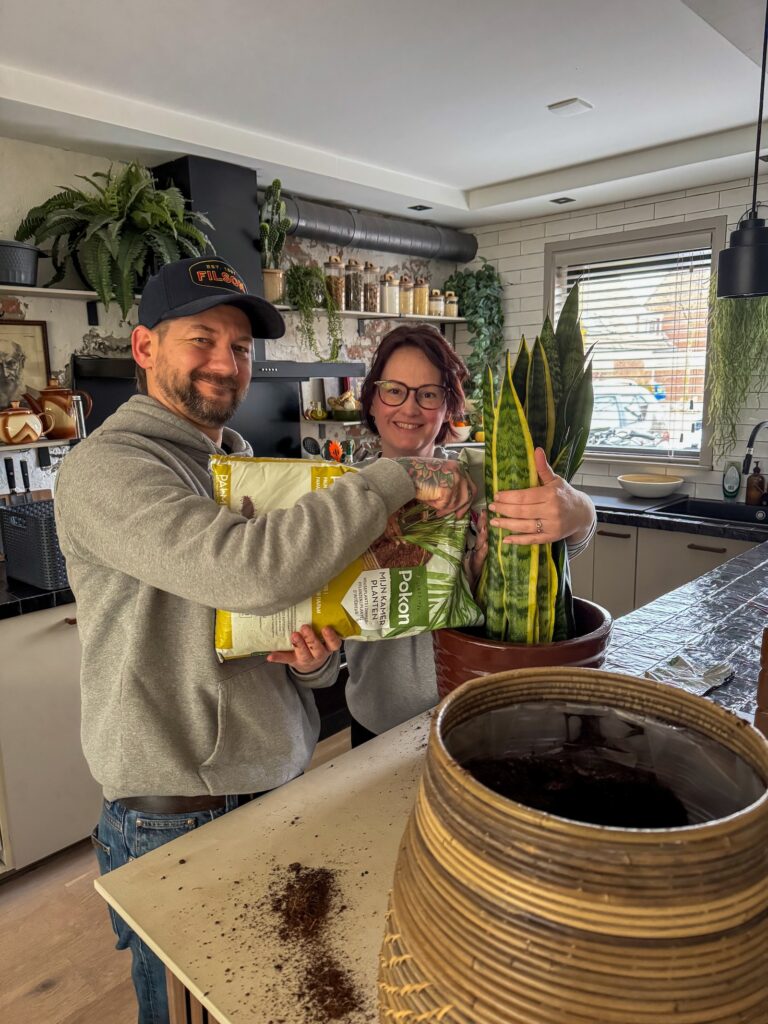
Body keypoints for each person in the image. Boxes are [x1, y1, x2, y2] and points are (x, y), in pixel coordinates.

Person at [54, 257, 474, 1024]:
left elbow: (276, 615)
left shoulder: (238, 465)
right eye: (202, 339)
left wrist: (311, 665)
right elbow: (249, 572)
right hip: (180, 809)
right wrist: (395, 477)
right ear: (145, 347)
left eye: (242, 347)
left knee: (270, 1002)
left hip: (276, 780)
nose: (226, 362)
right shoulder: (108, 469)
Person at [344, 324, 597, 746]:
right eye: (394, 390)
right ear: (371, 399)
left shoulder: (483, 476)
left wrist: (582, 512)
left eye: (428, 394)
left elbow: (555, 546)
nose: (410, 407)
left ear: (448, 406)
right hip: (379, 723)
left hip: (476, 716)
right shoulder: (343, 495)